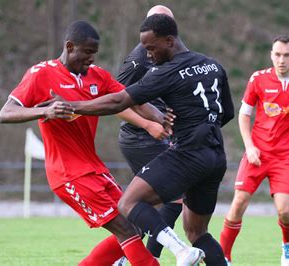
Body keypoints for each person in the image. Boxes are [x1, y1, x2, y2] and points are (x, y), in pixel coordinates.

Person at [47, 14, 235, 265]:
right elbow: (227, 113)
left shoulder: (166, 72)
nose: (148, 54)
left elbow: (119, 101)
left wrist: (71, 106)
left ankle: (178, 251)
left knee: (128, 202)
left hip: (187, 153)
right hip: (216, 156)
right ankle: (184, 249)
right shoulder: (213, 65)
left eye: (150, 47)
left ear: (169, 41)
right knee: (198, 232)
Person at [0, 20, 159, 266]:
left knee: (136, 225)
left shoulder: (98, 76)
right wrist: (45, 112)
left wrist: (161, 118)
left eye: (94, 53)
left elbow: (131, 99)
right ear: (70, 46)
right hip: (68, 174)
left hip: (95, 169)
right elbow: (6, 113)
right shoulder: (41, 74)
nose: (91, 59)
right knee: (126, 230)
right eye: (87, 52)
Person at [219, 35, 289, 266]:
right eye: (277, 54)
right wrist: (250, 147)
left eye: (286, 55)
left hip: (284, 157)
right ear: (271, 54)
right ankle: (222, 256)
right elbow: (244, 115)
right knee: (238, 203)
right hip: (257, 154)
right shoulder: (258, 79)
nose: (281, 60)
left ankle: (288, 245)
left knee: (284, 211)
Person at [116, 5, 183, 262]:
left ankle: (127, 255)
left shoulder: (168, 54)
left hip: (158, 138)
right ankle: (145, 259)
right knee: (174, 199)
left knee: (148, 205)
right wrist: (149, 124)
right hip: (139, 139)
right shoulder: (139, 58)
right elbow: (115, 103)